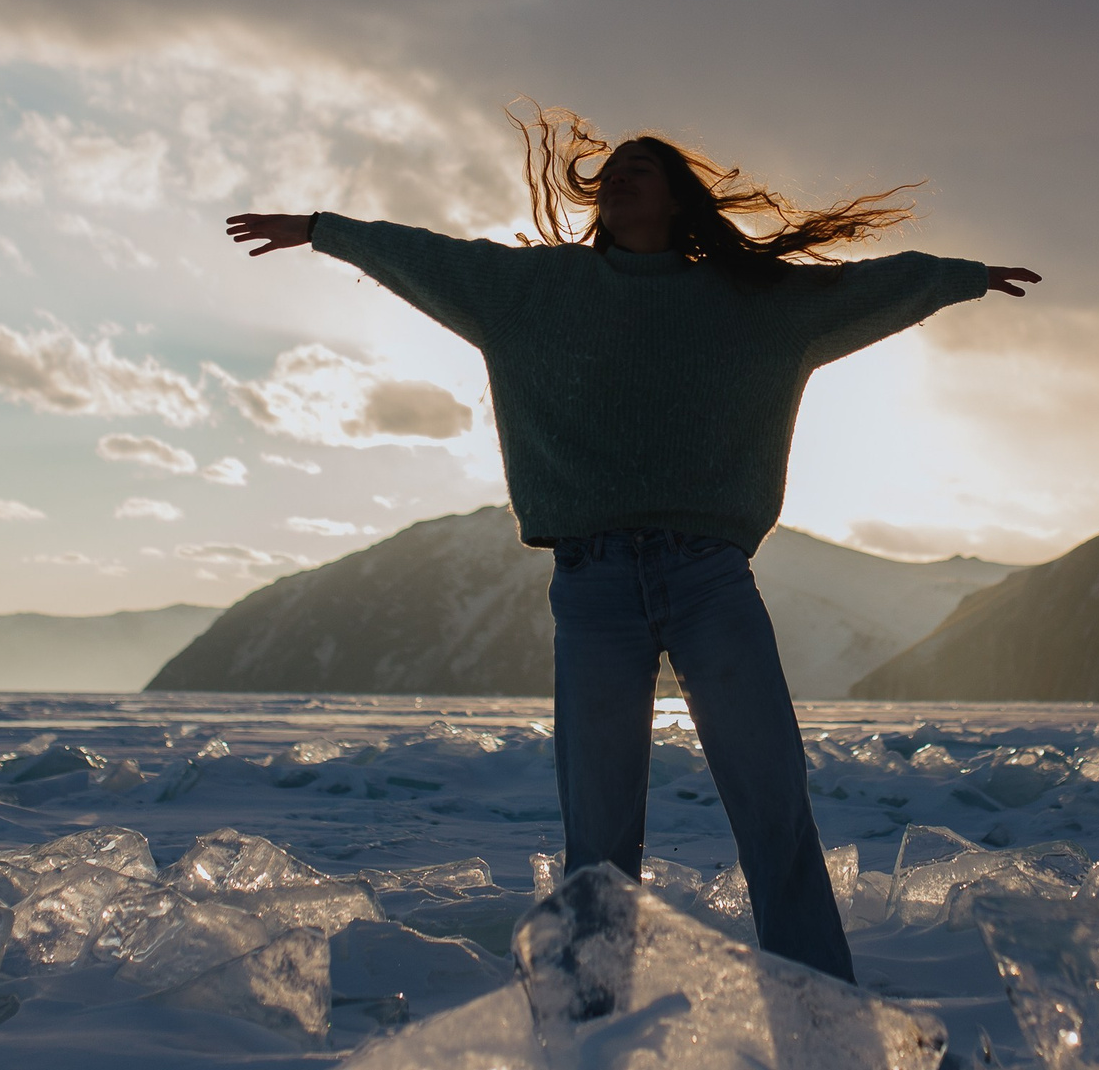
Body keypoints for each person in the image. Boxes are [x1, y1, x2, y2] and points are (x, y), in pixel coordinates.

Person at [224, 109, 1038, 981]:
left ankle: (820, 1010)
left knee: (774, 812)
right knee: (599, 841)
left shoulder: (751, 302)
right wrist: (321, 230)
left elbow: (861, 289)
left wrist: (958, 278)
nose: (618, 176)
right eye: (611, 169)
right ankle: (589, 1029)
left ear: (679, 200)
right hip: (593, 588)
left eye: (641, 168)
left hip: (710, 580)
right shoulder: (533, 291)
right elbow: (429, 256)